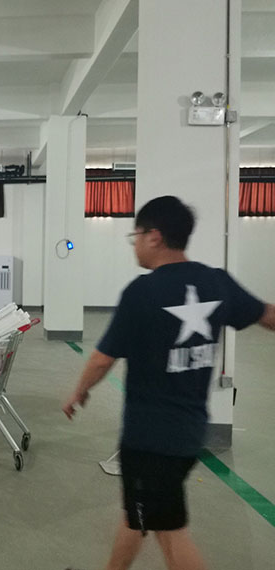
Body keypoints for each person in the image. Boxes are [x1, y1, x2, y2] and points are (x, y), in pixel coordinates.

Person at [62, 196, 275, 570]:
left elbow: (102, 358)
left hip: (150, 439)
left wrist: (80, 391)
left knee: (169, 532)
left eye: (135, 236)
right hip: (189, 432)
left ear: (154, 236)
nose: (134, 245)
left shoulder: (141, 292)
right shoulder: (216, 281)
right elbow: (268, 315)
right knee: (139, 515)